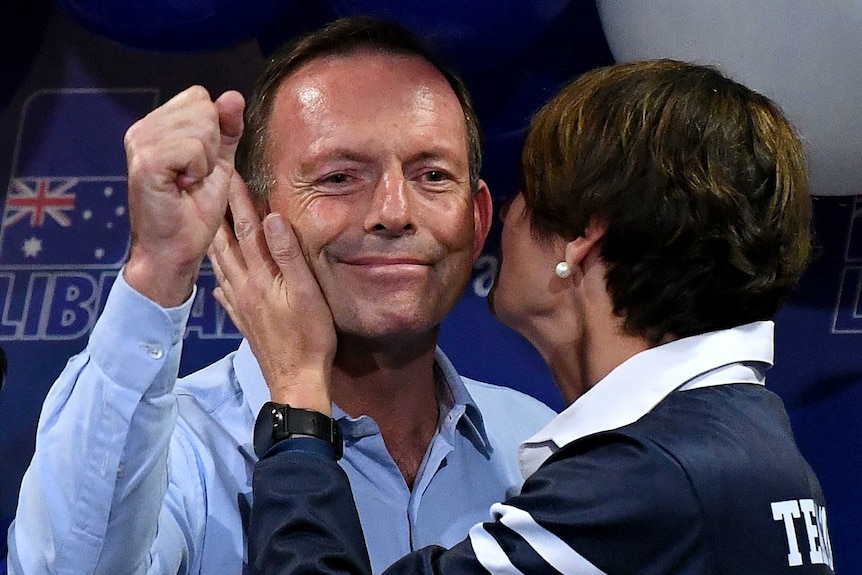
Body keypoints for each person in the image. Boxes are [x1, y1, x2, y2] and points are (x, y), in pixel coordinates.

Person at [7, 17, 556, 575]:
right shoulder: (179, 448)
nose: (394, 212)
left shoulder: (538, 444)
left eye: (433, 175)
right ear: (249, 217)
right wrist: (159, 267)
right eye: (340, 178)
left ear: (478, 219)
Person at [242, 59, 836, 574]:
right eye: (340, 177)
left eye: (525, 191)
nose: (502, 216)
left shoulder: (644, 481)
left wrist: (296, 405)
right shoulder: (736, 436)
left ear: (580, 242)